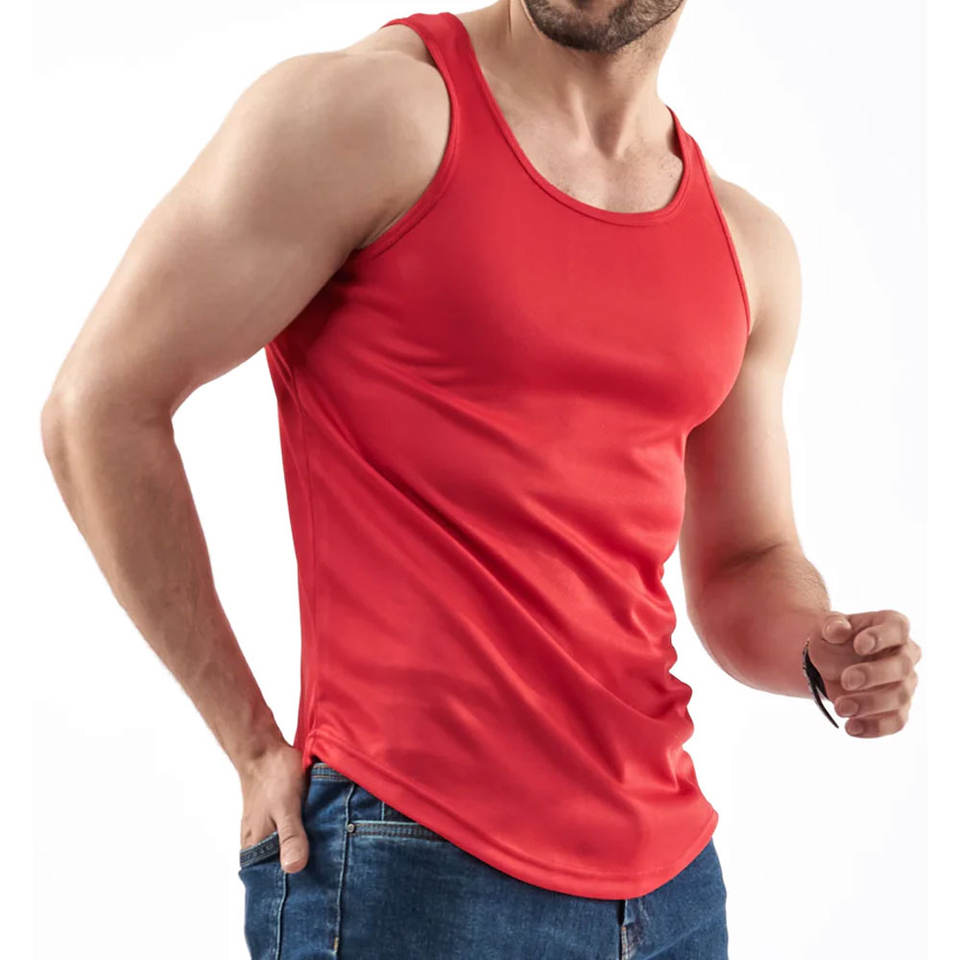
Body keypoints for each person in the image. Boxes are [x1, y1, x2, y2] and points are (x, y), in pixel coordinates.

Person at [40, 2, 922, 958]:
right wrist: (252, 745)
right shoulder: (374, 115)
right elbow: (98, 409)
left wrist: (821, 648)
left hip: (671, 892)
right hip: (410, 860)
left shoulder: (745, 244)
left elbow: (748, 559)